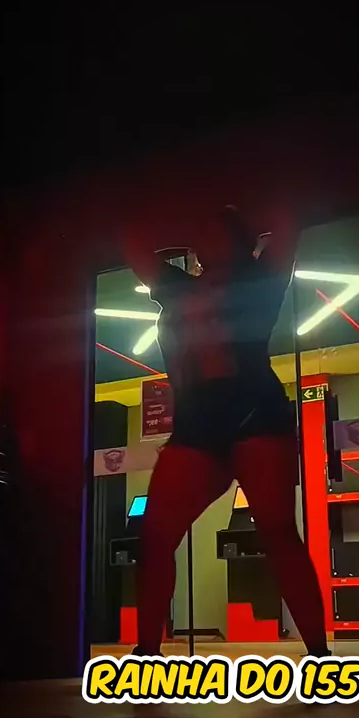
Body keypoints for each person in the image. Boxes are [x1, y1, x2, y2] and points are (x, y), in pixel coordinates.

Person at [124, 204, 330, 658]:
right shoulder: (177, 286)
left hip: (255, 411)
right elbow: (133, 242)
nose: (203, 235)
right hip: (197, 421)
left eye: (214, 229)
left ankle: (319, 655)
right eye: (199, 229)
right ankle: (146, 653)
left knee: (278, 532)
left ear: (239, 239)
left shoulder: (261, 279)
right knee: (155, 537)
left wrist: (239, 217)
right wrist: (191, 226)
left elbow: (290, 221)